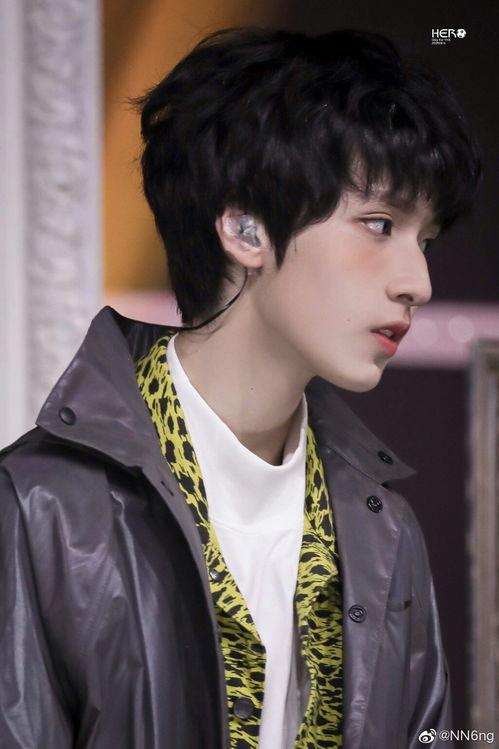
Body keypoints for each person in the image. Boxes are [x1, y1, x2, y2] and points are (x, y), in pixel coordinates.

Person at [0, 26, 481, 749]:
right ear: (245, 228)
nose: (418, 282)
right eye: (379, 225)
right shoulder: (40, 508)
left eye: (426, 241)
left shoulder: (384, 530)